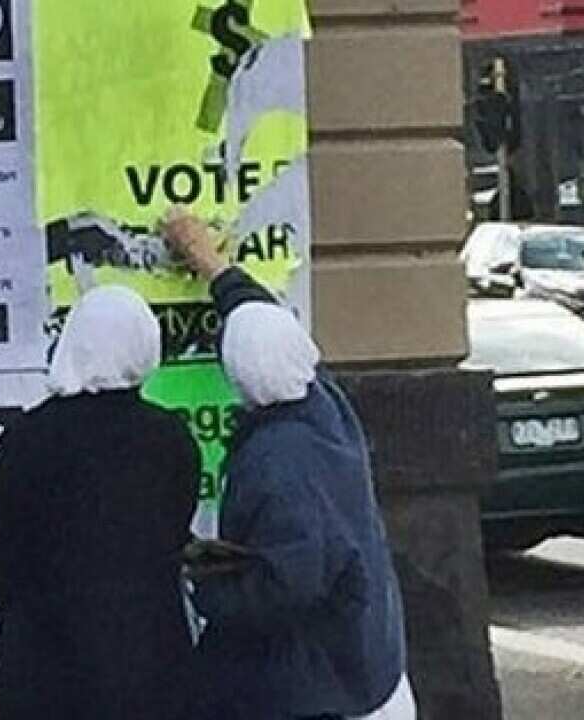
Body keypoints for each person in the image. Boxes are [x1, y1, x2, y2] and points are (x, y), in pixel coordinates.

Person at [161, 209, 415, 720]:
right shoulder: (320, 400)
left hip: (325, 691)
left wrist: (204, 586)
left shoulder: (281, 463)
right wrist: (210, 264)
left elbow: (288, 583)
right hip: (367, 667)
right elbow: (263, 322)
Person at [0, 285, 200, 720]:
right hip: (147, 669)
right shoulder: (168, 439)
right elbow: (174, 535)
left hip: (41, 669)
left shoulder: (28, 436)